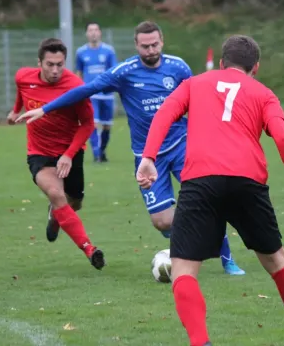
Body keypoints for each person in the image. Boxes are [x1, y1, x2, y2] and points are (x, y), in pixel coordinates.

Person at [135, 35, 284, 346]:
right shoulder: (264, 94)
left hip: (200, 180)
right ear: (256, 68)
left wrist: (148, 159)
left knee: (183, 271)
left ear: (221, 63)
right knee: (278, 263)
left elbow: (165, 115)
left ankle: (201, 342)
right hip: (247, 181)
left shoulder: (194, 83)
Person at [16, 21, 245, 276]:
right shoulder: (124, 72)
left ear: (162, 41)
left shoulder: (178, 67)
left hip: (182, 146)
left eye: (155, 44)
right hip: (146, 157)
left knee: (207, 198)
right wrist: (45, 108)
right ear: (136, 45)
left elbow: (199, 101)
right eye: (145, 46)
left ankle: (228, 260)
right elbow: (87, 89)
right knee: (162, 221)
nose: (150, 50)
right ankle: (187, 228)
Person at [6, 38, 105, 270]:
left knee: (74, 203)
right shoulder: (23, 76)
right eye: (50, 64)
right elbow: (22, 93)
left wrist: (69, 154)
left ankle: (55, 215)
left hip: (70, 151)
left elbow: (88, 124)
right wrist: (15, 111)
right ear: (39, 62)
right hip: (39, 153)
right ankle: (90, 250)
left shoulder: (76, 87)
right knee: (55, 193)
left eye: (60, 64)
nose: (55, 70)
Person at [75, 22, 118, 162]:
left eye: (96, 30)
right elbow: (79, 73)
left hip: (106, 94)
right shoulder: (81, 52)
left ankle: (102, 151)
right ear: (87, 34)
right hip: (90, 94)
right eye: (90, 30)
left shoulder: (108, 51)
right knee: (93, 123)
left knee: (106, 126)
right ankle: (96, 154)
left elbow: (114, 72)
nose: (93, 33)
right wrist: (80, 91)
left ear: (100, 33)